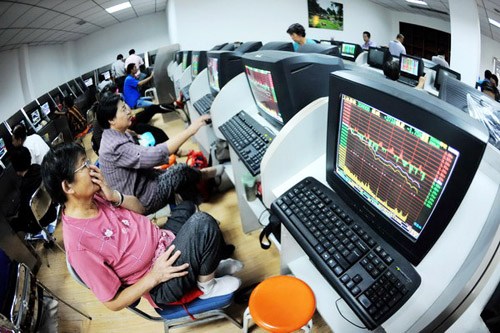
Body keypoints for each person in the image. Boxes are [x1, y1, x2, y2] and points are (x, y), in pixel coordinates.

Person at [41, 142, 242, 311]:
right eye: (84, 165)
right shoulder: (79, 245)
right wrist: (154, 276)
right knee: (203, 223)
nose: (93, 168)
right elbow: (113, 302)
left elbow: (140, 208)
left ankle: (206, 267)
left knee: (188, 206)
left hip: (163, 241)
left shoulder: (98, 197)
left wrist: (113, 195)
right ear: (68, 187)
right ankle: (207, 285)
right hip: (160, 281)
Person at [96, 93, 223, 215]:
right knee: (180, 171)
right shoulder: (115, 146)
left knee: (181, 178)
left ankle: (196, 213)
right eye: (123, 109)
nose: (129, 111)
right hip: (141, 199)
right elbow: (154, 155)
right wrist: (191, 129)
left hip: (145, 183)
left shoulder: (112, 135)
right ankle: (203, 175)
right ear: (111, 120)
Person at [9, 146, 57, 236]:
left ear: (15, 167)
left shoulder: (25, 187)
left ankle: (24, 246)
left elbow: (25, 214)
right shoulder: (37, 168)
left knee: (13, 223)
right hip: (51, 209)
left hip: (40, 221)